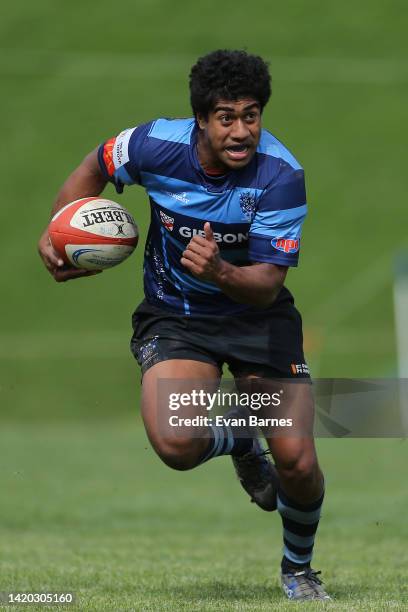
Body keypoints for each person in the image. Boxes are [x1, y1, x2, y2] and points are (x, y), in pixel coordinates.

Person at [38, 49, 330, 601]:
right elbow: (93, 167)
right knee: (176, 442)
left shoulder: (281, 176)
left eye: (251, 114)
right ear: (200, 119)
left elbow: (266, 282)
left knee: (296, 460)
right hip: (177, 316)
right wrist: (59, 239)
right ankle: (243, 441)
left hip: (257, 320)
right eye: (227, 117)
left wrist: (220, 269)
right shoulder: (152, 144)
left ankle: (298, 569)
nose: (242, 130)